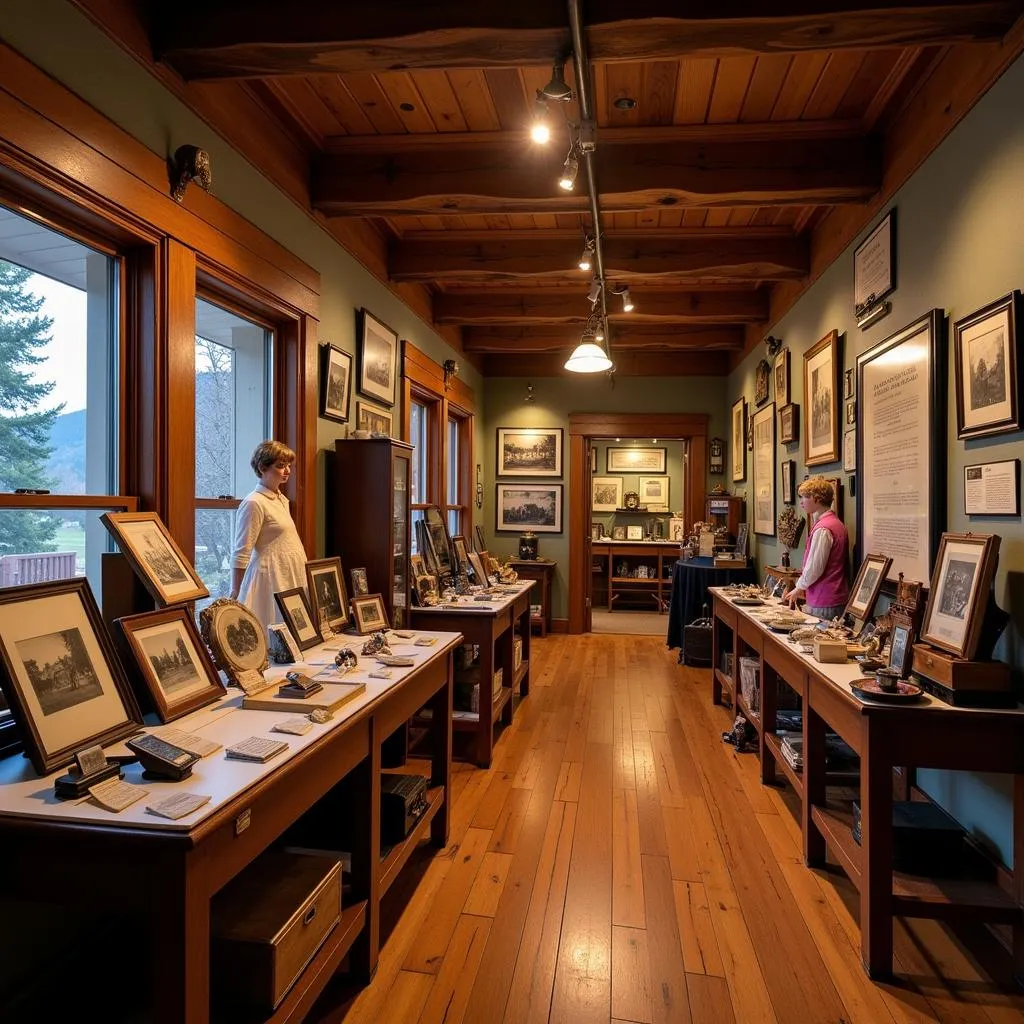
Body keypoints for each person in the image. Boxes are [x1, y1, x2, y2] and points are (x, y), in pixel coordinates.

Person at [230, 440, 307, 631]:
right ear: (263, 467)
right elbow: (242, 551)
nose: (287, 470)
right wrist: (236, 591)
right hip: (271, 576)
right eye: (280, 466)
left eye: (289, 465)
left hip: (290, 572)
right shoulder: (254, 503)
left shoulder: (282, 500)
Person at [782, 477, 849, 621]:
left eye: (805, 497)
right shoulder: (836, 524)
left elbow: (815, 568)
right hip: (834, 598)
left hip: (824, 601)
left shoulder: (823, 529)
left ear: (817, 499)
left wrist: (798, 588)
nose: (801, 502)